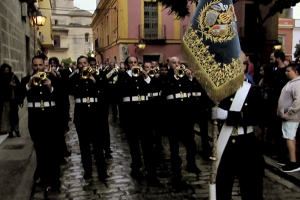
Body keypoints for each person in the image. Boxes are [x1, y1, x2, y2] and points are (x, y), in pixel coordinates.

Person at [212, 52, 264, 200]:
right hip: (224, 144)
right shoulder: (217, 92)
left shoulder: (252, 91)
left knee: (251, 189)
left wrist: (230, 116)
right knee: (222, 188)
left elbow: (260, 116)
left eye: (240, 63)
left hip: (246, 144)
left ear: (244, 67)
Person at [116, 56, 159, 186]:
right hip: (131, 116)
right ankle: (136, 167)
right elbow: (119, 97)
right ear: (127, 65)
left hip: (145, 116)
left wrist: (146, 77)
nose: (134, 64)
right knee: (134, 146)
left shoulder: (144, 77)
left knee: (148, 146)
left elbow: (152, 89)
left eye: (135, 62)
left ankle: (151, 172)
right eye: (131, 63)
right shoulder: (123, 78)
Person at [21, 56, 61, 192]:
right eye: (35, 66)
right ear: (32, 66)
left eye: (40, 65)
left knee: (53, 151)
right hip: (35, 119)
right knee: (40, 151)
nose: (38, 68)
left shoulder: (54, 79)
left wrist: (50, 87)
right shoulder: (26, 80)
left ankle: (55, 181)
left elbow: (62, 98)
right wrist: (28, 85)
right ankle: (44, 179)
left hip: (50, 118)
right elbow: (19, 97)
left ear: (44, 65)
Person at [161, 57, 201, 187]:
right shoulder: (166, 77)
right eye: (174, 63)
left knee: (190, 141)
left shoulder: (185, 77)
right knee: (174, 144)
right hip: (173, 116)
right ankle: (176, 167)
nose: (177, 65)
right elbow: (165, 91)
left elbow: (193, 90)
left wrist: (190, 78)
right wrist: (175, 77)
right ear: (169, 64)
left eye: (178, 63)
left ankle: (191, 164)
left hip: (186, 115)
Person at [69, 56, 107, 181]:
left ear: (88, 64)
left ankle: (102, 171)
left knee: (98, 144)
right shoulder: (74, 78)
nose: (82, 65)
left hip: (95, 113)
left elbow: (104, 90)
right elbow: (69, 90)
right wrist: (80, 80)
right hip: (81, 114)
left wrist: (94, 81)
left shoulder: (97, 76)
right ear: (77, 65)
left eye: (84, 63)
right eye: (80, 63)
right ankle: (88, 171)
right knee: (84, 145)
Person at [277, 63, 300, 172]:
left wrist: (289, 113)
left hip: (291, 117)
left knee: (290, 137)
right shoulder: (292, 83)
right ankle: (290, 159)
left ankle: (293, 162)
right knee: (288, 137)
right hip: (287, 116)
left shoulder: (297, 84)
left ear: (295, 72)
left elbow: (298, 101)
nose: (286, 73)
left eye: (288, 71)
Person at [0, 64, 22, 137]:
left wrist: (15, 86)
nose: (6, 71)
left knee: (15, 115)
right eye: (5, 70)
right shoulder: (2, 77)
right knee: (8, 116)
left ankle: (16, 130)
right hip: (6, 100)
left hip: (14, 100)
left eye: (8, 70)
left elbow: (19, 85)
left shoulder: (13, 76)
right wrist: (8, 85)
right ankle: (10, 131)